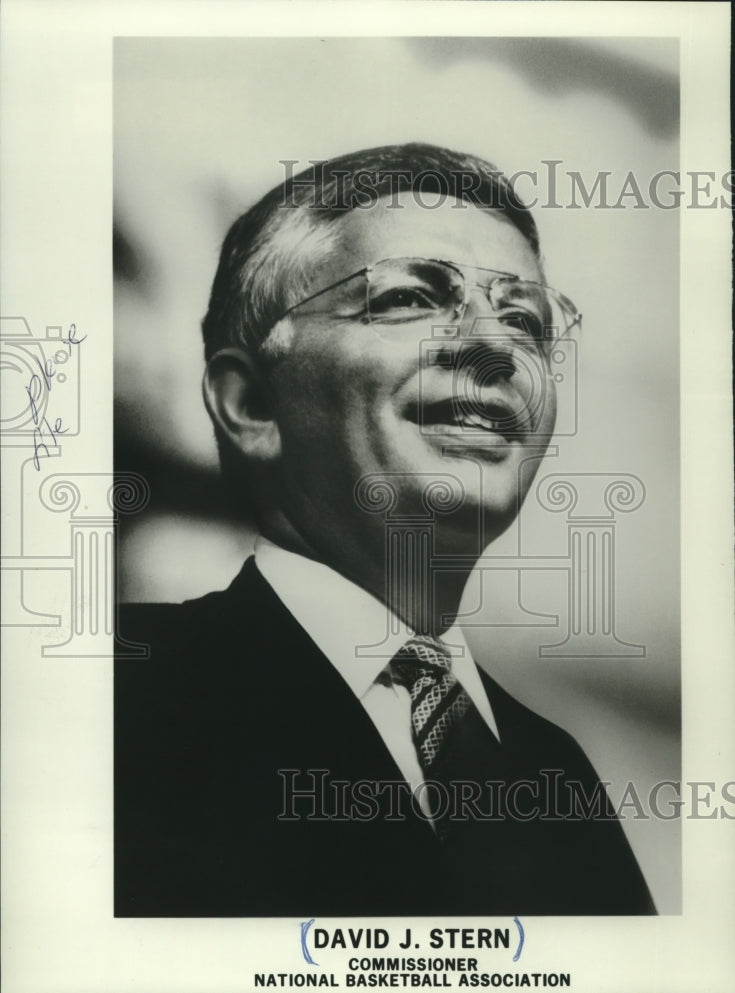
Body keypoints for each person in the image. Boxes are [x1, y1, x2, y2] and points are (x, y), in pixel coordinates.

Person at [115, 143, 656, 917]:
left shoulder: (553, 773)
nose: (495, 347)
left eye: (525, 321)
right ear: (250, 405)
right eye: (410, 298)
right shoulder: (114, 696)